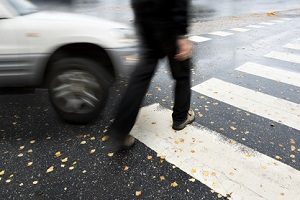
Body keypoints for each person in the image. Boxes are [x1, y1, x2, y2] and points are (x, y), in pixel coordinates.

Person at [107, 0, 194, 151]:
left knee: (140, 78)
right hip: (168, 22)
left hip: (145, 20)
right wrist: (181, 34)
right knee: (182, 74)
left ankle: (119, 131)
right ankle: (180, 117)